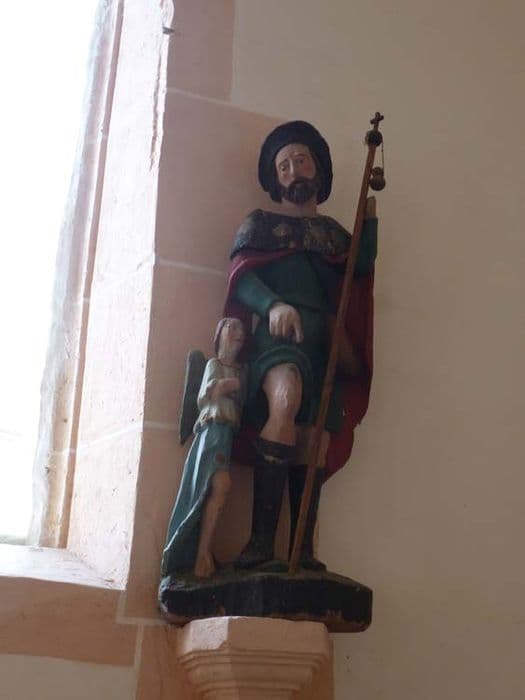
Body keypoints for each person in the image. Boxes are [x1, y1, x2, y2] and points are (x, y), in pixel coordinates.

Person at [224, 121, 378, 570]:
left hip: (322, 342)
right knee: (285, 398)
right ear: (276, 179)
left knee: (315, 437)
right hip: (279, 338)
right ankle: (260, 544)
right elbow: (241, 278)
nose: (293, 170)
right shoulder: (260, 225)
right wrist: (272, 305)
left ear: (318, 169)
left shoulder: (331, 234)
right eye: (284, 165)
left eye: (301, 160)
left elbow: (358, 268)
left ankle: (301, 551)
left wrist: (369, 221)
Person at [161, 318, 246, 578]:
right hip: (211, 431)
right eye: (231, 327)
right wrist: (223, 386)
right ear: (219, 335)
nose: (237, 332)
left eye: (240, 328)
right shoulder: (213, 365)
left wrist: (233, 386)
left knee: (217, 488)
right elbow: (204, 396)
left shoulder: (241, 371)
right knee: (218, 485)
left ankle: (202, 554)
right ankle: (199, 555)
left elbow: (242, 401)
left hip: (226, 433)